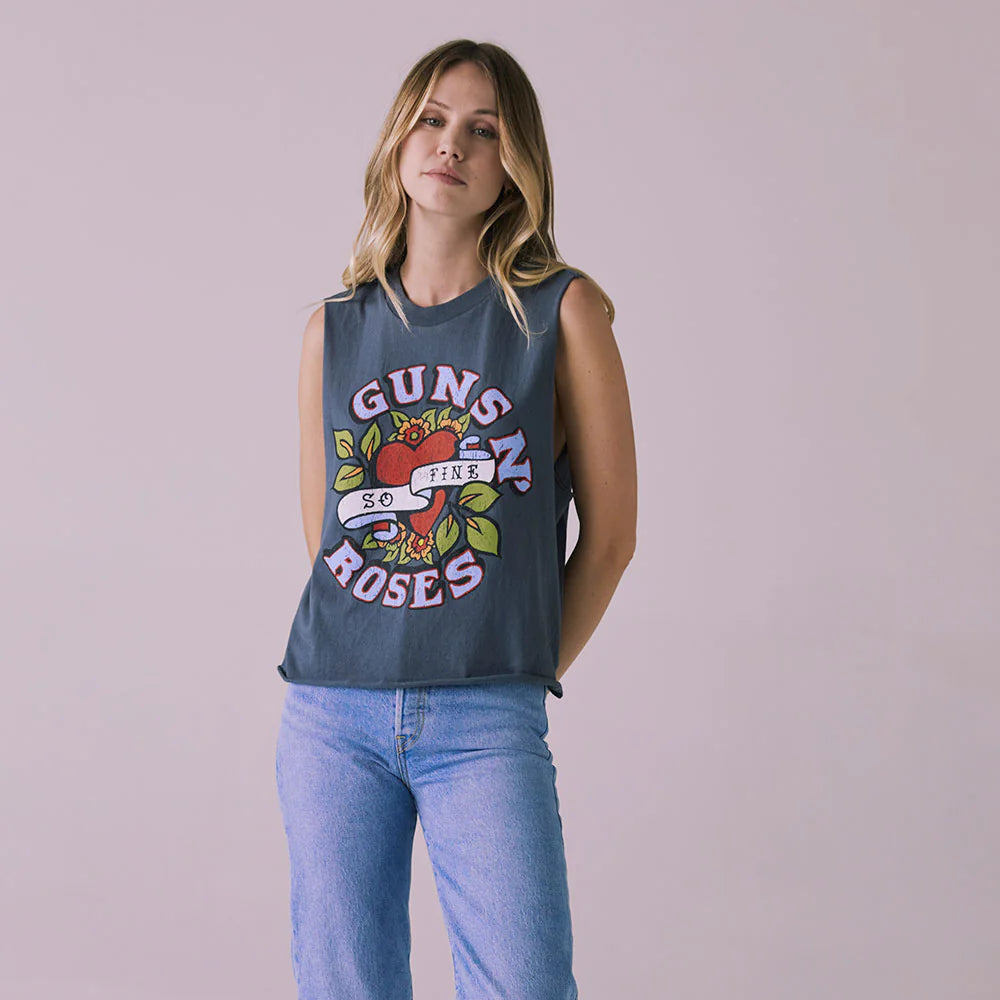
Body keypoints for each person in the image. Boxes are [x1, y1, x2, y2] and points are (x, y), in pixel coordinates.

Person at [274, 38, 637, 1000]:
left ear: (515, 164)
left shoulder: (562, 313)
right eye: (433, 120)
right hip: (330, 713)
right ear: (398, 139)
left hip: (486, 717)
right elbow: (329, 536)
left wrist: (519, 666)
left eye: (484, 130)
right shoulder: (332, 329)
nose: (451, 145)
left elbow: (610, 540)